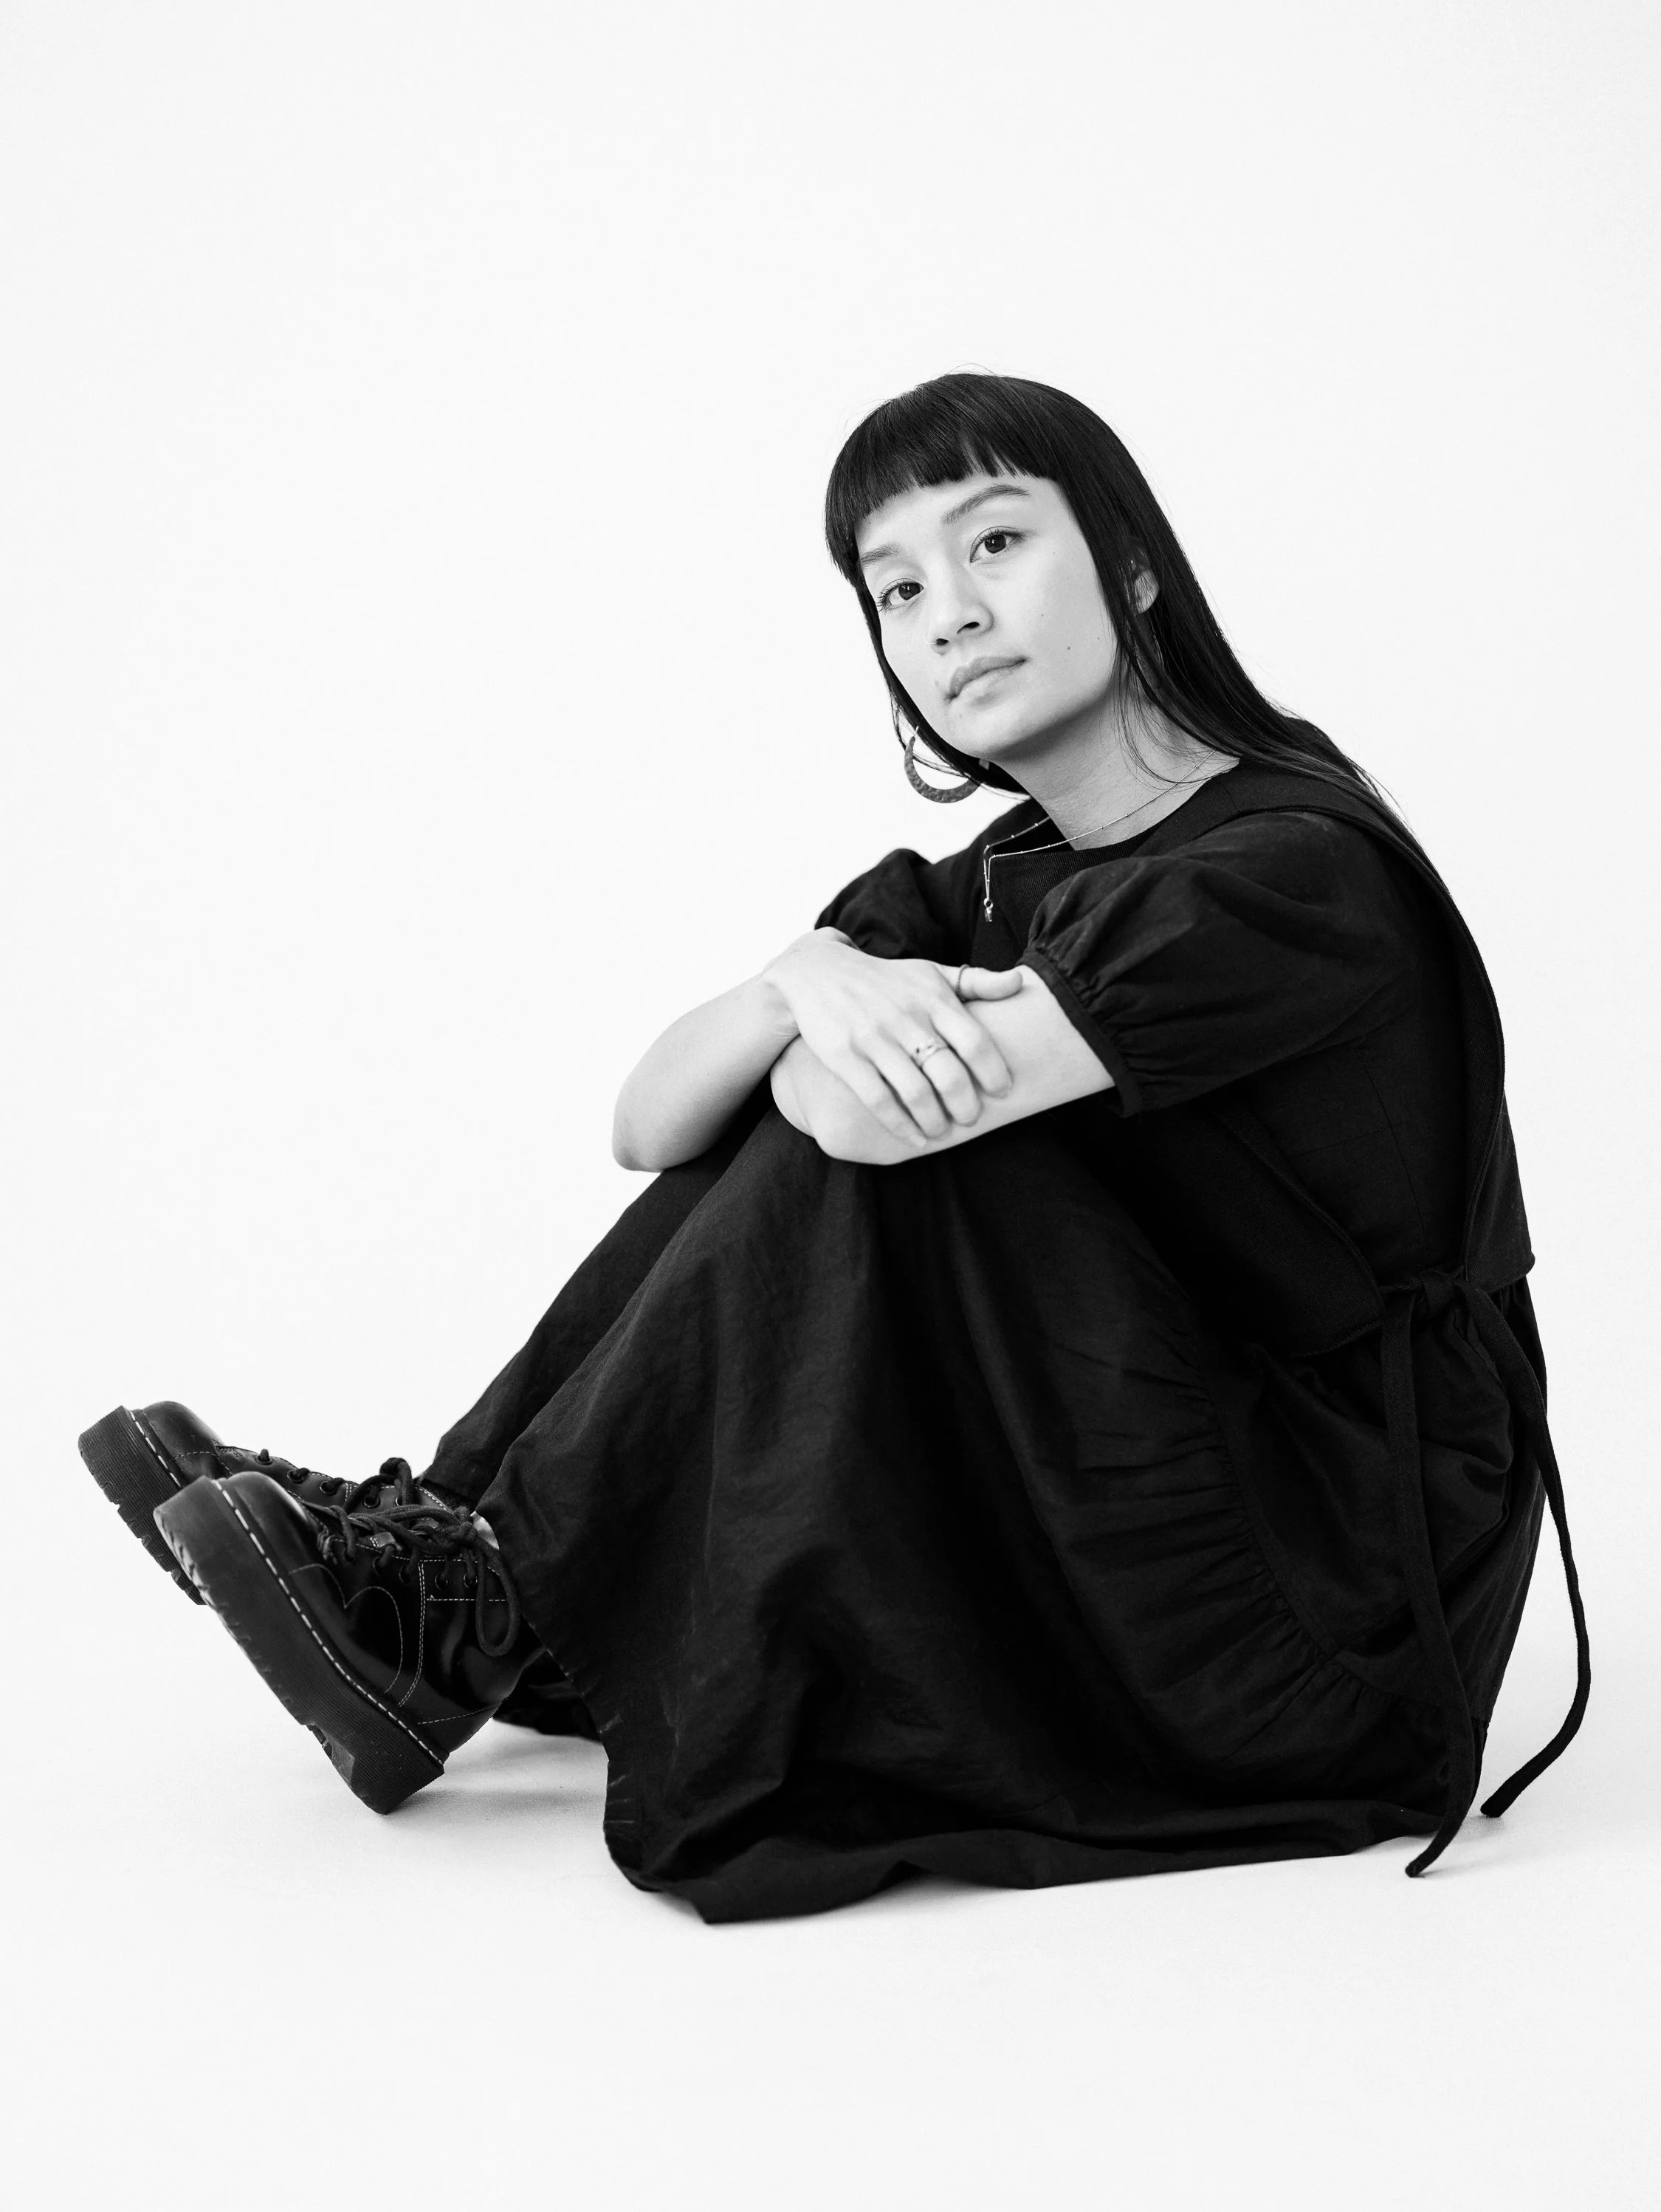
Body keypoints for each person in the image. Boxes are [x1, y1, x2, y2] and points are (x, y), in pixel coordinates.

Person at [79, 372, 1589, 1924]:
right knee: (831, 1087)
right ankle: (457, 1558)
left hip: (1333, 1605)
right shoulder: (1013, 875)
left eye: (995, 543)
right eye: (899, 587)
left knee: (916, 1131)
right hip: (1162, 1496)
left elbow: (865, 1114)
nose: (949, 616)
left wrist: (824, 1030)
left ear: (1135, 564)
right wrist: (800, 980)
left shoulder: (1288, 869)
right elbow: (646, 1118)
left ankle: (465, 1602)